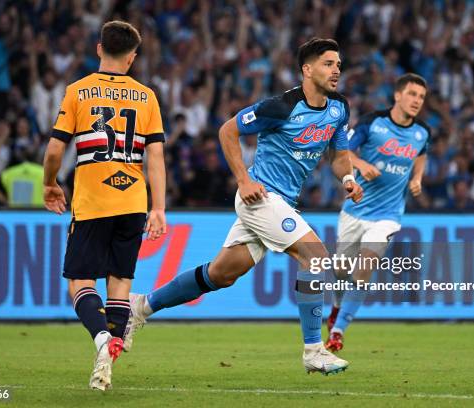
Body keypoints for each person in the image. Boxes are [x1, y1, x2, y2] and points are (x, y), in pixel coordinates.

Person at [125, 38, 363, 375]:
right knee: (315, 256)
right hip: (260, 197)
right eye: (328, 63)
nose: (337, 69)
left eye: (339, 64)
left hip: (282, 203)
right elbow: (227, 131)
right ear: (307, 70)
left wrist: (348, 180)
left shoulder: (339, 108)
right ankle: (314, 350)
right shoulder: (280, 106)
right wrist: (243, 180)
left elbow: (339, 157)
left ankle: (143, 305)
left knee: (221, 274)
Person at [42, 21, 166, 391]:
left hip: (93, 200)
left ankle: (101, 342)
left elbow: (54, 148)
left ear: (99, 49)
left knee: (80, 282)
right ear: (132, 56)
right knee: (120, 286)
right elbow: (156, 157)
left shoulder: (78, 92)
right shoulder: (147, 96)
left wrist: (49, 183)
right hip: (133, 201)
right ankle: (107, 363)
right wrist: (157, 208)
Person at [325, 73, 430, 352]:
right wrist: (359, 165)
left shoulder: (422, 132)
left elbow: (421, 154)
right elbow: (343, 151)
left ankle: (338, 331)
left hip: (388, 215)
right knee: (340, 270)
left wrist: (417, 178)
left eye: (421, 97)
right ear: (398, 95)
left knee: (366, 264)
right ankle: (336, 307)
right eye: (412, 94)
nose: (416, 101)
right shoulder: (373, 122)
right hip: (356, 209)